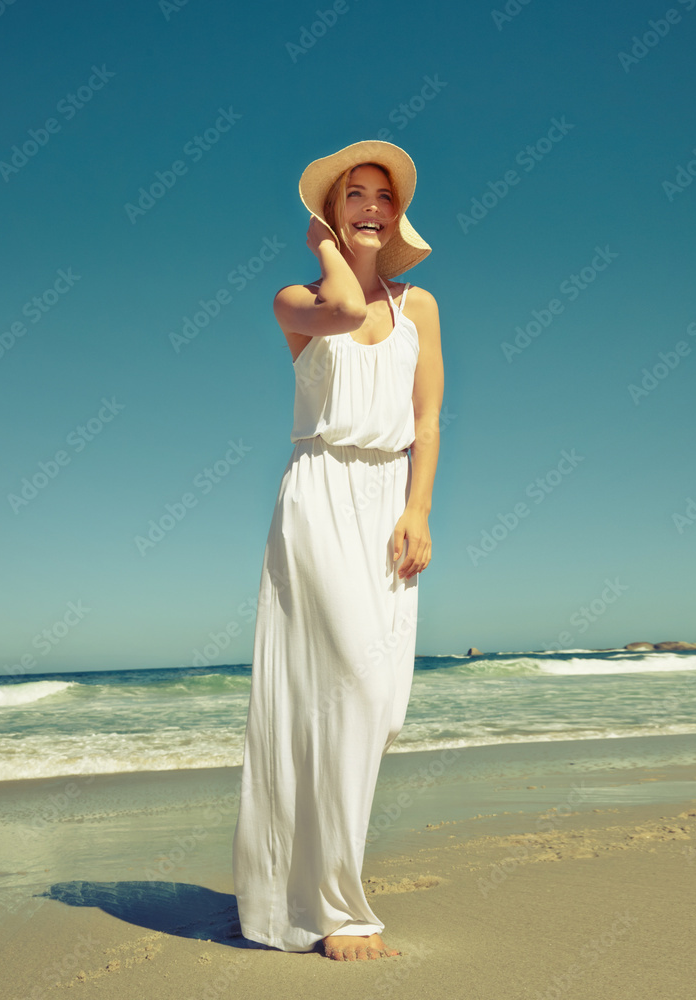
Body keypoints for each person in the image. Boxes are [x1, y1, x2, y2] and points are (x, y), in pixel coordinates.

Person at [231, 140, 443, 962]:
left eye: (382, 198)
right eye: (353, 195)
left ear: (397, 214)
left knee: (380, 705)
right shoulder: (295, 299)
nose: (371, 208)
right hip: (319, 494)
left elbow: (426, 422)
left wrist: (419, 508)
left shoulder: (421, 307)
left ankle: (305, 882)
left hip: (388, 499)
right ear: (329, 209)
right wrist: (328, 244)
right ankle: (338, 909)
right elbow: (348, 312)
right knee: (349, 681)